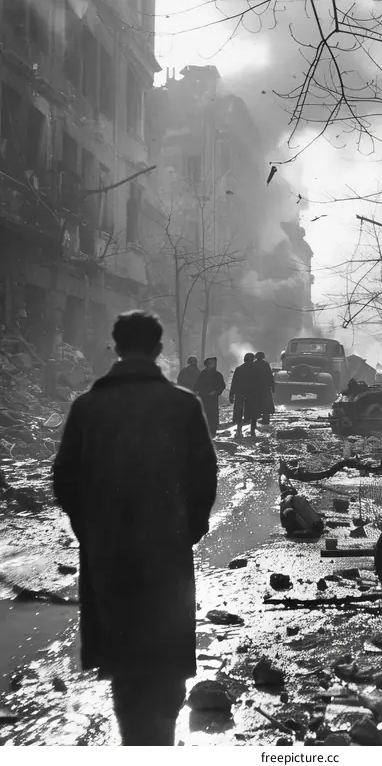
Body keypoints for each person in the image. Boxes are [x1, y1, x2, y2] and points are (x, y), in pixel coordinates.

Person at [53, 311, 217, 746]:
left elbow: (64, 480)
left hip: (108, 549)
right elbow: (204, 475)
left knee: (123, 662)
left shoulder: (88, 406)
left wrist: (89, 529)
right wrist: (191, 528)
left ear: (117, 347)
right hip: (167, 546)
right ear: (159, 350)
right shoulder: (183, 404)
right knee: (165, 655)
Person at [229, 352, 261, 439]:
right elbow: (259, 383)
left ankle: (239, 430)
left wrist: (231, 394)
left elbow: (234, 383)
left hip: (240, 393)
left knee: (239, 412)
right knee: (253, 412)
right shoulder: (256, 369)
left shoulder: (239, 369)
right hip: (252, 394)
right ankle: (252, 430)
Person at [196, 357, 226, 438]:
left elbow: (222, 385)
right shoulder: (203, 374)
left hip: (213, 399)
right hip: (204, 398)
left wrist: (215, 391)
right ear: (207, 364)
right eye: (212, 362)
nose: (213, 364)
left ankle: (212, 433)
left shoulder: (218, 374)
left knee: (212, 416)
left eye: (214, 363)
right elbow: (198, 385)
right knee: (204, 415)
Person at [254, 351, 275, 425]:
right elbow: (270, 375)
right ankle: (265, 420)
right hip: (265, 387)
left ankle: (255, 420)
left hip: (256, 388)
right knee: (266, 404)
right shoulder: (266, 364)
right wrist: (273, 386)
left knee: (256, 404)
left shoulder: (254, 364)